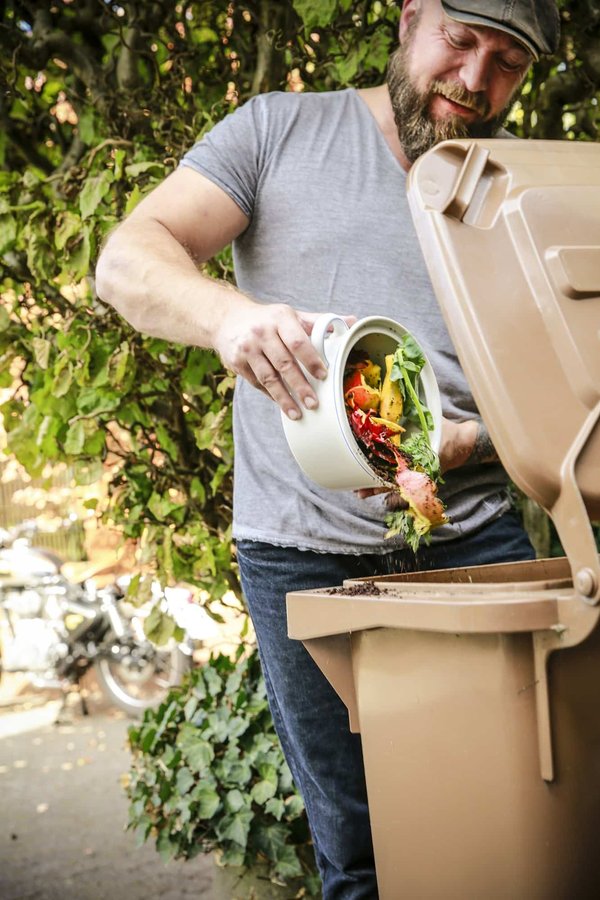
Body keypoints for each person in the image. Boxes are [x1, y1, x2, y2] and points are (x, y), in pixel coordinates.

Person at [95, 1, 560, 895]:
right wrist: (232, 320)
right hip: (296, 561)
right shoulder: (278, 129)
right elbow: (127, 259)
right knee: (357, 848)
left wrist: (475, 446)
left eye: (506, 62)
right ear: (411, 16)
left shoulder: (518, 189)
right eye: (459, 42)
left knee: (513, 829)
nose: (474, 81)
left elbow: (562, 393)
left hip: (475, 542)